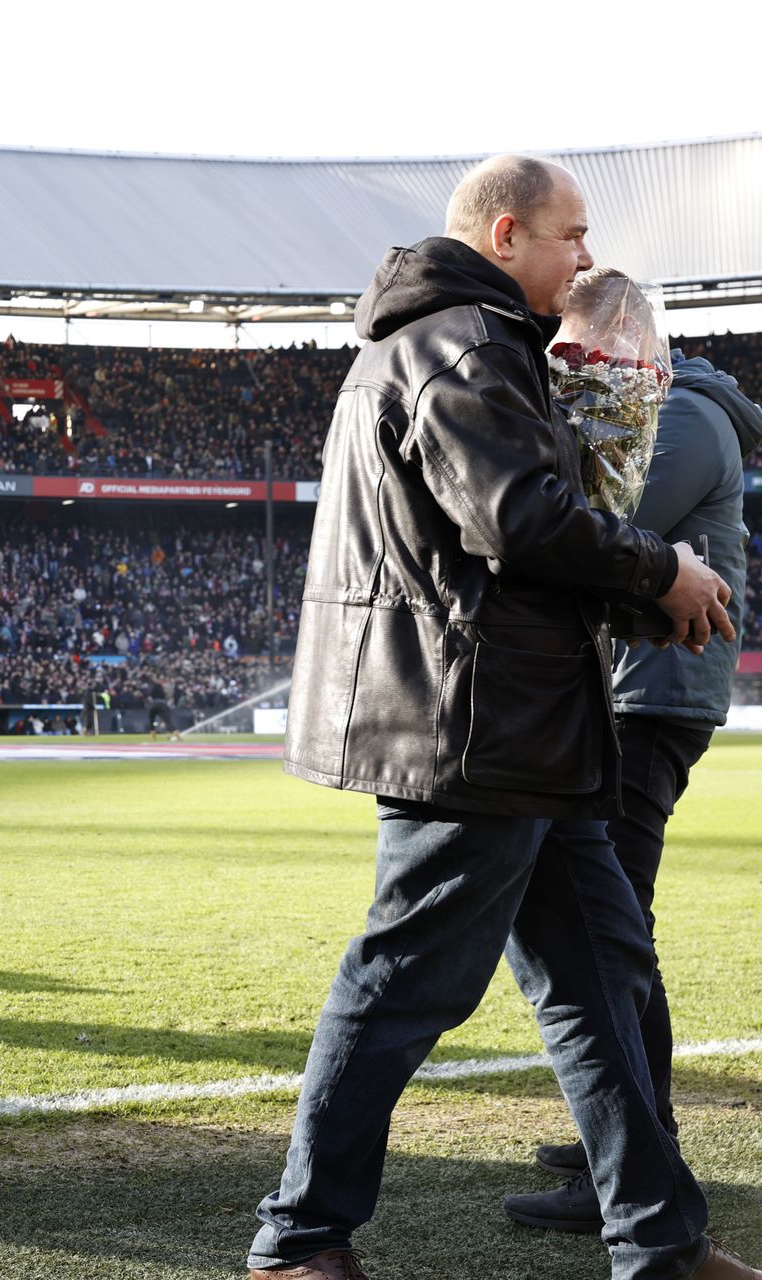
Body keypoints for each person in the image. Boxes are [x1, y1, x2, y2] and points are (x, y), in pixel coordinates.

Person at [247, 155, 754, 1280]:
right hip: (473, 721)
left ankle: (661, 1238)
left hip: (521, 719)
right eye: (573, 236)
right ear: (509, 230)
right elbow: (524, 517)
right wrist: (659, 572)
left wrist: (635, 583)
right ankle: (298, 1237)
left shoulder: (462, 341)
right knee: (405, 977)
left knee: (604, 980)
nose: (586, 259)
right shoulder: (464, 344)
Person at [503, 296, 761, 1234]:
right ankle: (619, 1136)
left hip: (649, 701)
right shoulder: (682, 405)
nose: (565, 365)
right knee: (614, 925)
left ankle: (635, 1156)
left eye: (578, 349)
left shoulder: (684, 413)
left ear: (626, 340)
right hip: (637, 694)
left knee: (610, 935)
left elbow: (603, 526)